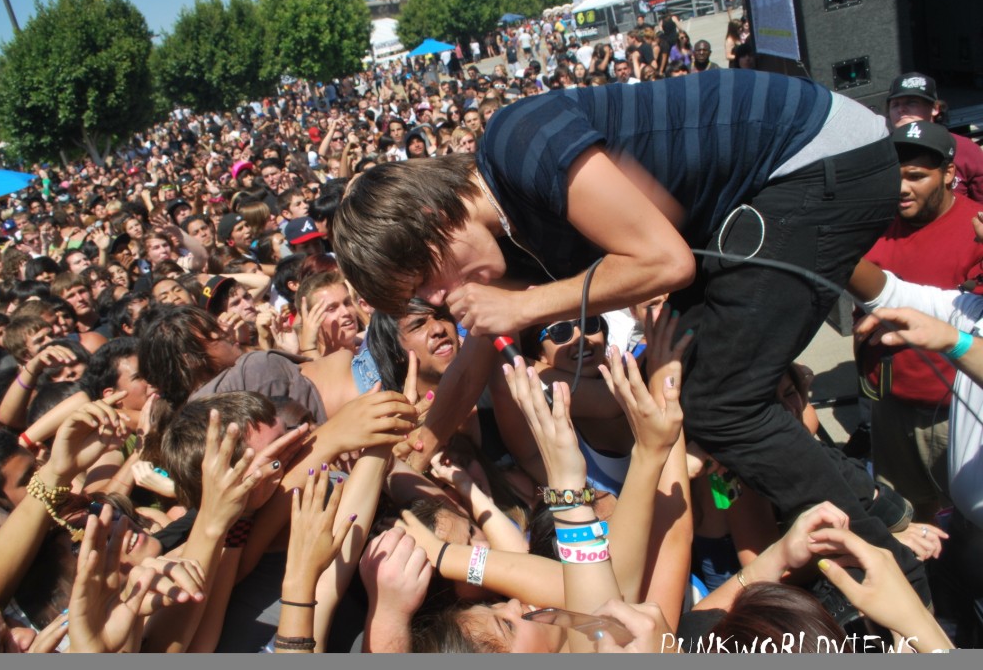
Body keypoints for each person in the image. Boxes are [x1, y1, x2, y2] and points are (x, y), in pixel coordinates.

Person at [333, 69, 930, 604]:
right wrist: (419, 445)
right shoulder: (510, 240)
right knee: (684, 388)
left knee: (721, 401)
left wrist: (525, 304)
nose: (439, 302)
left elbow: (667, 263)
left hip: (817, 158)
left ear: (434, 221)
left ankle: (895, 580)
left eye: (427, 282)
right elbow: (476, 352)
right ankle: (877, 506)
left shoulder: (516, 144)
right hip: (765, 189)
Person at [859, 121, 983, 521]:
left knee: (965, 527)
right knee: (907, 521)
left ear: (949, 174)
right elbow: (885, 292)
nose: (901, 189)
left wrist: (954, 342)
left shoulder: (977, 230)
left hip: (954, 415)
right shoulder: (872, 222)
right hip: (891, 409)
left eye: (916, 176)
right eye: (894, 176)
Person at [887, 72, 983, 203]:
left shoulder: (965, 149)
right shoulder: (881, 154)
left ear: (935, 108)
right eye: (895, 104)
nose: (901, 109)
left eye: (911, 103)